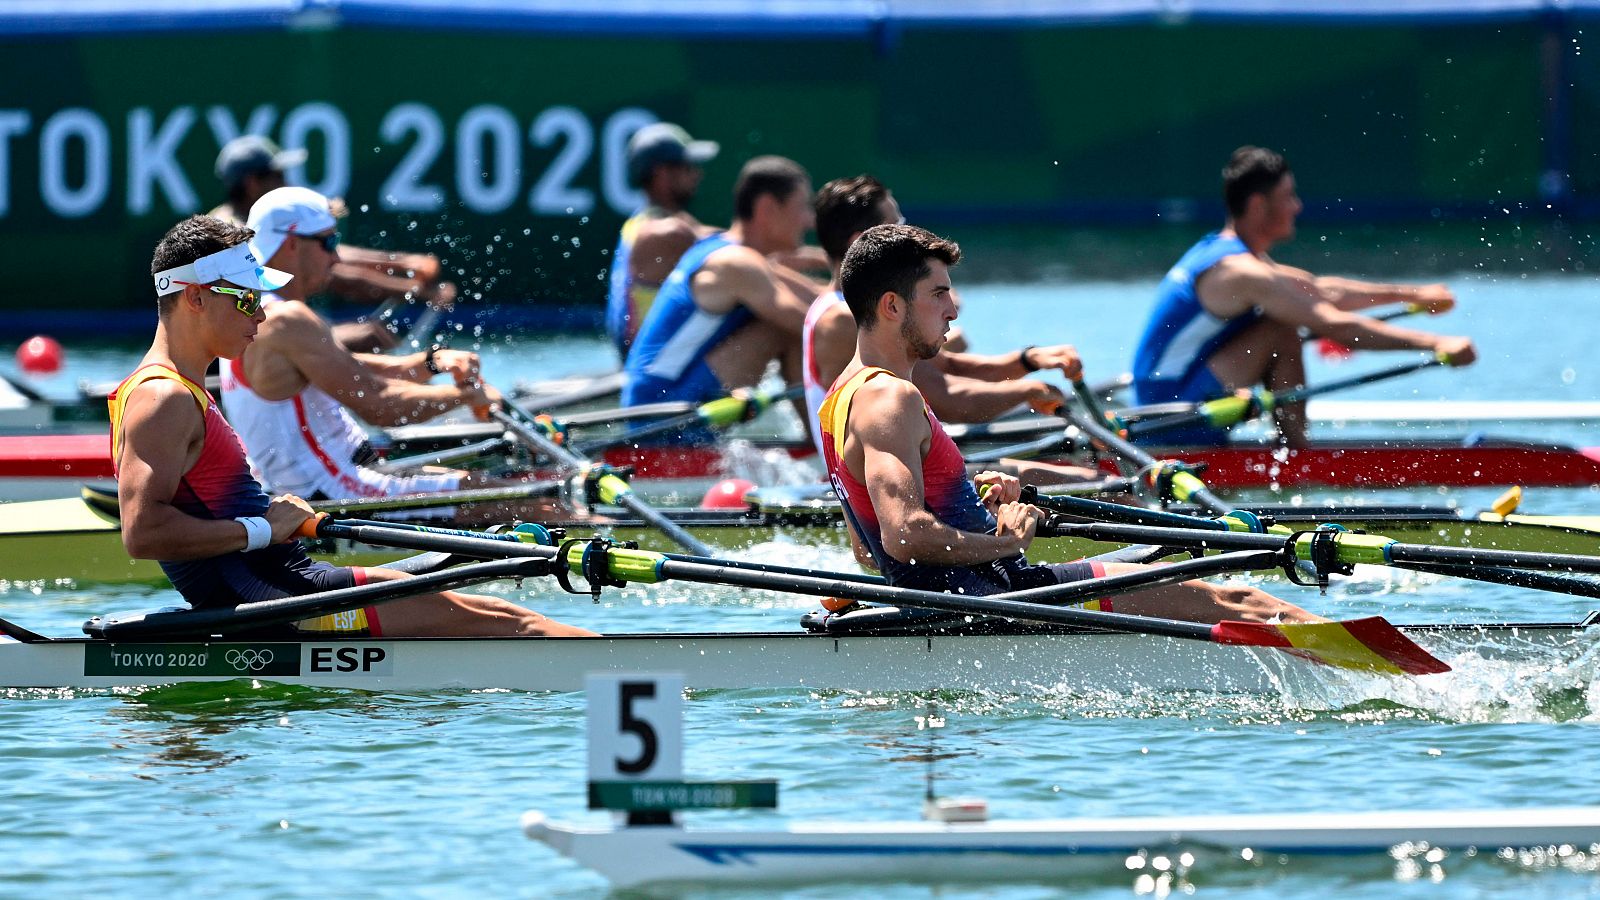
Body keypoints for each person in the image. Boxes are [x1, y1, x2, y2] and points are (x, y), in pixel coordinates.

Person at [112, 214, 589, 636]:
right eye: (245, 299)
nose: (259, 313)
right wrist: (262, 527)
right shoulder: (163, 396)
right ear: (195, 297)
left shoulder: (181, 389)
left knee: (496, 598)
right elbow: (143, 533)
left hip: (283, 582)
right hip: (278, 601)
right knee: (520, 626)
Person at [819, 222, 1316, 624]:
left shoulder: (841, 397)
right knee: (1244, 604)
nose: (952, 309)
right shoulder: (890, 398)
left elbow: (868, 552)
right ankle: (1392, 665)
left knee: (1175, 561)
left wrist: (973, 496)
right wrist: (1006, 541)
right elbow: (903, 536)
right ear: (891, 306)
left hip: (982, 593)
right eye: (939, 293)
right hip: (1000, 599)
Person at [220, 187, 560, 523]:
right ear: (292, 243)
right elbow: (379, 405)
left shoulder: (256, 307)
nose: (336, 258)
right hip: (333, 498)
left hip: (327, 482)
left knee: (497, 487)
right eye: (329, 242)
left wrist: (433, 361)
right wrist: (463, 395)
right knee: (536, 506)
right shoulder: (285, 320)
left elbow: (355, 370)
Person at [1131, 146, 1476, 447]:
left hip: (1171, 402)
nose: (1297, 206)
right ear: (1257, 204)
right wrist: (1436, 344)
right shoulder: (1240, 272)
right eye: (1287, 196)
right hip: (1171, 418)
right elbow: (1333, 324)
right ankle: (1297, 457)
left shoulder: (1232, 254)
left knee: (1287, 317)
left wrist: (1414, 295)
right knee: (1282, 328)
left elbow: (1321, 291)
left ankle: (1292, 450)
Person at [804, 175, 1090, 468]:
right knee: (1095, 483)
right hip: (873, 478)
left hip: (903, 460)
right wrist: (1027, 391)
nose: (907, 231)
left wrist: (1027, 360)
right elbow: (949, 398)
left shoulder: (843, 305)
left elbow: (948, 366)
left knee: (1082, 476)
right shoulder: (846, 318)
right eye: (897, 225)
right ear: (861, 241)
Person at [211, 135, 458, 352]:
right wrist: (416, 291)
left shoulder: (250, 222)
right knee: (369, 337)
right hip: (243, 343)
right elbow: (334, 274)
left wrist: (405, 265)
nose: (286, 181)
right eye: (279, 175)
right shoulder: (235, 231)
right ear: (252, 183)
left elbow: (330, 253)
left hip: (254, 334)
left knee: (370, 336)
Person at [622, 155, 823, 412]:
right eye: (803, 207)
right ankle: (818, 446)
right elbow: (812, 324)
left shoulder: (733, 254)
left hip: (661, 401)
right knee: (789, 329)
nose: (809, 220)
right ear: (767, 209)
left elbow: (818, 299)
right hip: (660, 413)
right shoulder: (735, 264)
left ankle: (816, 443)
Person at [606, 123, 721, 360]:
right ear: (662, 175)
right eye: (689, 167)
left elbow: (723, 238)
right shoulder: (665, 233)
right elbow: (743, 251)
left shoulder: (645, 221)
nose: (698, 174)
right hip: (647, 365)